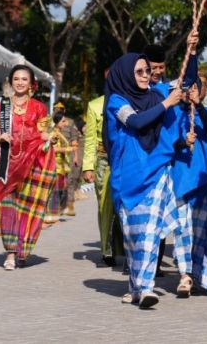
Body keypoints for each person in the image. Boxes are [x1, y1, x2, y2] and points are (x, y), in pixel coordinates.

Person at [104, 52, 184, 308]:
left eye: (147, 71)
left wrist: (191, 52)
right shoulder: (117, 101)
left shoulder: (156, 94)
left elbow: (187, 79)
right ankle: (136, 286)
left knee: (150, 233)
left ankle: (147, 287)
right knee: (132, 237)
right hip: (126, 179)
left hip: (156, 171)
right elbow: (137, 122)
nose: (145, 76)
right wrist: (166, 104)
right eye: (139, 72)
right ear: (125, 74)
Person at [0, 65, 56, 269]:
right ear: (11, 81)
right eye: (16, 79)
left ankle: (22, 248)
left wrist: (50, 137)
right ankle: (10, 253)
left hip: (31, 163)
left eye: (24, 79)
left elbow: (44, 133)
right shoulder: (1, 106)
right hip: (6, 163)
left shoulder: (39, 107)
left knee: (27, 208)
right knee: (7, 207)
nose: (20, 82)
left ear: (31, 83)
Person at [171, 81, 207, 296]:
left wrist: (198, 106)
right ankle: (185, 275)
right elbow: (164, 144)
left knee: (201, 232)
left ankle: (199, 274)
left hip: (204, 181)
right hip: (180, 182)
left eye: (195, 88)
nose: (190, 93)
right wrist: (181, 141)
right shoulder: (172, 114)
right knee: (182, 231)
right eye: (186, 89)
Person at [82, 71, 124, 267]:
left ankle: (127, 247)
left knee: (125, 204)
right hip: (103, 161)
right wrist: (88, 167)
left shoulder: (131, 101)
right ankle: (107, 249)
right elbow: (90, 139)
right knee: (105, 204)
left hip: (126, 159)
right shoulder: (95, 105)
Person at [44, 111, 73, 226]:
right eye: (63, 121)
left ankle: (55, 213)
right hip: (54, 165)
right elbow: (53, 149)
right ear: (57, 122)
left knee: (60, 189)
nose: (65, 123)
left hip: (61, 166)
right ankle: (50, 214)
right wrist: (67, 150)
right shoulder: (53, 134)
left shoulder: (59, 132)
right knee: (54, 191)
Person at [52, 102, 80, 217]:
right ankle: (57, 207)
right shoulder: (50, 122)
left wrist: (76, 156)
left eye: (61, 108)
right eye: (56, 108)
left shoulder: (70, 122)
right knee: (58, 183)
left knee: (69, 180)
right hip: (56, 157)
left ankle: (69, 205)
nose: (58, 110)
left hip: (69, 155)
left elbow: (74, 140)